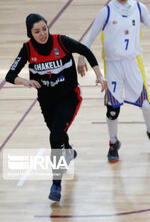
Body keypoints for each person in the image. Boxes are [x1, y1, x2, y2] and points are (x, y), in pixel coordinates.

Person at [5, 14, 107, 202]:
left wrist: (99, 75)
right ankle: (68, 151)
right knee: (57, 133)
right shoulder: (27, 49)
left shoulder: (61, 41)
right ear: (30, 33)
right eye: (37, 31)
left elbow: (85, 50)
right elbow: (10, 75)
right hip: (46, 101)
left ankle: (56, 183)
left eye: (45, 28)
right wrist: (25, 81)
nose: (43, 33)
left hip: (69, 98)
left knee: (55, 136)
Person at [79, 0, 150, 163]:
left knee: (146, 104)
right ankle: (113, 142)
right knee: (112, 110)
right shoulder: (105, 12)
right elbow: (90, 36)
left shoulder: (139, 8)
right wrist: (82, 56)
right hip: (113, 66)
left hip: (133, 63)